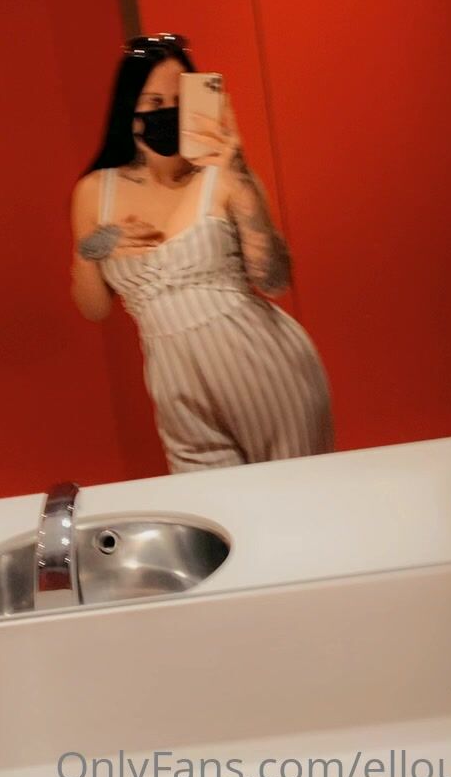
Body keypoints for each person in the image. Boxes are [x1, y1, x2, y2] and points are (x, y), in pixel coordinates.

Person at [70, 32, 333, 473]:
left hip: (268, 370)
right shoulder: (96, 191)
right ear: (128, 109)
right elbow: (94, 308)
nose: (167, 113)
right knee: (211, 512)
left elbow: (273, 280)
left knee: (298, 503)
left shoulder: (224, 176)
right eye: (154, 103)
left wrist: (240, 176)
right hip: (179, 396)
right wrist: (94, 249)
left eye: (179, 101)